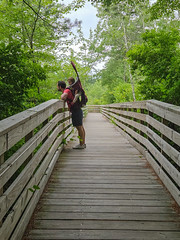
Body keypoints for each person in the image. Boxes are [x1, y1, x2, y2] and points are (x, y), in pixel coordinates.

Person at [57, 80, 86, 149]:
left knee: (79, 128)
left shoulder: (66, 90)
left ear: (60, 86)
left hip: (76, 111)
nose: (57, 87)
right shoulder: (69, 90)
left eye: (57, 86)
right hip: (78, 110)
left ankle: (81, 145)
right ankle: (83, 144)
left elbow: (63, 97)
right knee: (80, 127)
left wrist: (62, 95)